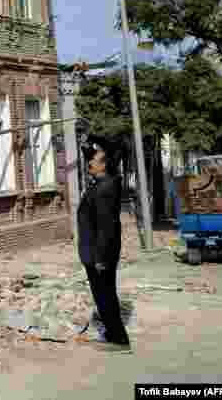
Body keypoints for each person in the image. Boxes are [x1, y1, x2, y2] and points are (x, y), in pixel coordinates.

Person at [77, 148, 132, 353]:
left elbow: (106, 227)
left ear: (104, 165)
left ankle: (119, 340)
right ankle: (111, 333)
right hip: (95, 251)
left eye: (93, 160)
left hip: (99, 253)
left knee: (105, 296)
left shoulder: (105, 188)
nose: (89, 163)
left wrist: (101, 258)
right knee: (103, 296)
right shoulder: (101, 184)